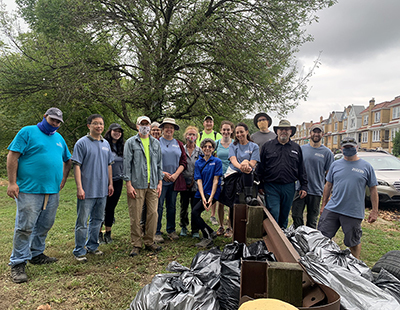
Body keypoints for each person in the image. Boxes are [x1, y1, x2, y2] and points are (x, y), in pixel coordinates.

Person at [6, 107, 72, 283]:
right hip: (29, 189)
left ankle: (36, 254)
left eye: (58, 122)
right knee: (25, 226)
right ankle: (18, 262)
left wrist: (63, 179)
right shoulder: (27, 132)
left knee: (45, 224)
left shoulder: (59, 138)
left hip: (52, 190)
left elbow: (68, 160)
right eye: (52, 120)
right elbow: (12, 156)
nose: (55, 124)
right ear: (45, 117)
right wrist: (12, 183)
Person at [318, 137, 378, 259]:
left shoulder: (366, 167)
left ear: (356, 147)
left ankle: (355, 264)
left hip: (353, 212)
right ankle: (320, 261)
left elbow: (373, 189)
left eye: (351, 147)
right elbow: (328, 185)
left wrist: (374, 211)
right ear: (341, 149)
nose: (348, 149)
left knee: (353, 242)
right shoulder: (335, 165)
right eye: (346, 147)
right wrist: (323, 205)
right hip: (332, 208)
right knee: (321, 238)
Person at [71, 114, 114, 262]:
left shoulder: (106, 144)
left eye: (101, 124)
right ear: (89, 126)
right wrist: (79, 187)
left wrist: (110, 183)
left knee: (97, 220)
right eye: (95, 123)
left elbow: (109, 165)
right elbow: (76, 166)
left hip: (102, 190)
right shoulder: (81, 143)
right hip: (87, 190)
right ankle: (79, 250)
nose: (99, 126)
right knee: (82, 222)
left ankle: (93, 246)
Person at [123, 116, 164, 256]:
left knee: (153, 213)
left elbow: (159, 164)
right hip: (137, 184)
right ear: (137, 126)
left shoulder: (155, 143)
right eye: (142, 124)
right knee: (135, 215)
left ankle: (149, 241)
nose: (145, 127)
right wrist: (128, 184)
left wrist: (160, 182)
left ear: (151, 126)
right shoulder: (130, 142)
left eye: (147, 124)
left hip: (152, 184)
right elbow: (127, 164)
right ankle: (136, 244)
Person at [256, 119, 307, 229]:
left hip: (289, 186)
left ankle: (283, 238)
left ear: (290, 132)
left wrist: (304, 185)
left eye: (286, 129)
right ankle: (272, 239)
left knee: (284, 215)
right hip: (271, 186)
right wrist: (259, 184)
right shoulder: (267, 146)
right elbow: (261, 167)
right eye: (281, 129)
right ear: (277, 131)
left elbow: (301, 168)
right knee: (274, 212)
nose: (284, 131)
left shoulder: (296, 148)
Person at [219, 122, 260, 232]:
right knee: (234, 200)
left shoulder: (254, 146)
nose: (239, 134)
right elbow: (233, 160)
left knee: (248, 172)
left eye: (241, 132)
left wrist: (247, 163)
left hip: (248, 174)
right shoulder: (233, 145)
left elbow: (253, 162)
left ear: (247, 132)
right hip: (234, 173)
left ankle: (248, 196)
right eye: (237, 132)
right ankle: (232, 226)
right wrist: (243, 165)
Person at [292, 124, 334, 229]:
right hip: (299, 189)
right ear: (310, 134)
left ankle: (309, 241)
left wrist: (328, 194)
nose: (316, 134)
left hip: (316, 190)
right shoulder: (301, 149)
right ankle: (298, 239)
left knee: (312, 220)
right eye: (314, 132)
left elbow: (330, 176)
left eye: (318, 132)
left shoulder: (327, 153)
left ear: (322, 134)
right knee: (296, 216)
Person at [155, 118, 187, 243]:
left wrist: (176, 174)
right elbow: (152, 161)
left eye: (171, 127)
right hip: (160, 180)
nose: (169, 129)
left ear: (174, 130)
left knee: (172, 206)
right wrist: (162, 173)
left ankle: (171, 230)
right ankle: (156, 231)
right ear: (162, 128)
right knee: (158, 206)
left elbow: (183, 161)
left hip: (174, 180)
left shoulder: (178, 144)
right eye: (167, 127)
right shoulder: (156, 142)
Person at [192, 138, 223, 248]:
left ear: (213, 149)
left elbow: (216, 180)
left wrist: (210, 198)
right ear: (202, 148)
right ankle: (211, 232)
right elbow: (199, 180)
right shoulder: (198, 162)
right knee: (194, 213)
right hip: (201, 191)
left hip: (212, 192)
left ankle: (207, 237)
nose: (207, 148)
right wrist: (202, 196)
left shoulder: (217, 162)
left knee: (195, 213)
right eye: (205, 146)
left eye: (210, 146)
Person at [99, 123, 125, 244]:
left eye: (119, 131)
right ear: (109, 131)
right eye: (115, 131)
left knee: (111, 207)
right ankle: (98, 233)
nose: (117, 133)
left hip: (117, 180)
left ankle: (108, 233)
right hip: (103, 180)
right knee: (100, 207)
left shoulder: (122, 146)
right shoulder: (103, 144)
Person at [196, 115, 222, 225]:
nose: (208, 123)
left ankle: (212, 215)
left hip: (213, 165)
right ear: (203, 124)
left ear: (213, 123)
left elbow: (218, 150)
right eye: (206, 121)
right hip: (202, 165)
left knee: (213, 186)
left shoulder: (217, 135)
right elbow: (198, 150)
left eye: (210, 121)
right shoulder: (199, 135)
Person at [179, 126, 202, 238]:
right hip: (183, 183)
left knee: (195, 207)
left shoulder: (200, 151)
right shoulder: (181, 149)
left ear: (196, 137)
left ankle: (195, 230)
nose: (191, 136)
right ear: (185, 136)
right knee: (184, 206)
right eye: (189, 134)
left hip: (196, 184)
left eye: (193, 134)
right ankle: (183, 226)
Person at [140, 121, 162, 233]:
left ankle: (153, 231)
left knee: (154, 209)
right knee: (143, 207)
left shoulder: (159, 143)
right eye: (154, 129)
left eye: (158, 130)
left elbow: (159, 163)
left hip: (155, 180)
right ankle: (143, 227)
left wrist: (160, 179)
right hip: (141, 180)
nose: (156, 132)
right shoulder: (139, 142)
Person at [214, 120, 235, 238]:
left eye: (228, 130)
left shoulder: (235, 144)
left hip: (231, 176)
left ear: (231, 131)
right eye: (224, 129)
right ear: (221, 130)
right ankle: (221, 225)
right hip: (219, 176)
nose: (226, 132)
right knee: (220, 203)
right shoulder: (216, 143)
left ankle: (229, 227)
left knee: (230, 203)